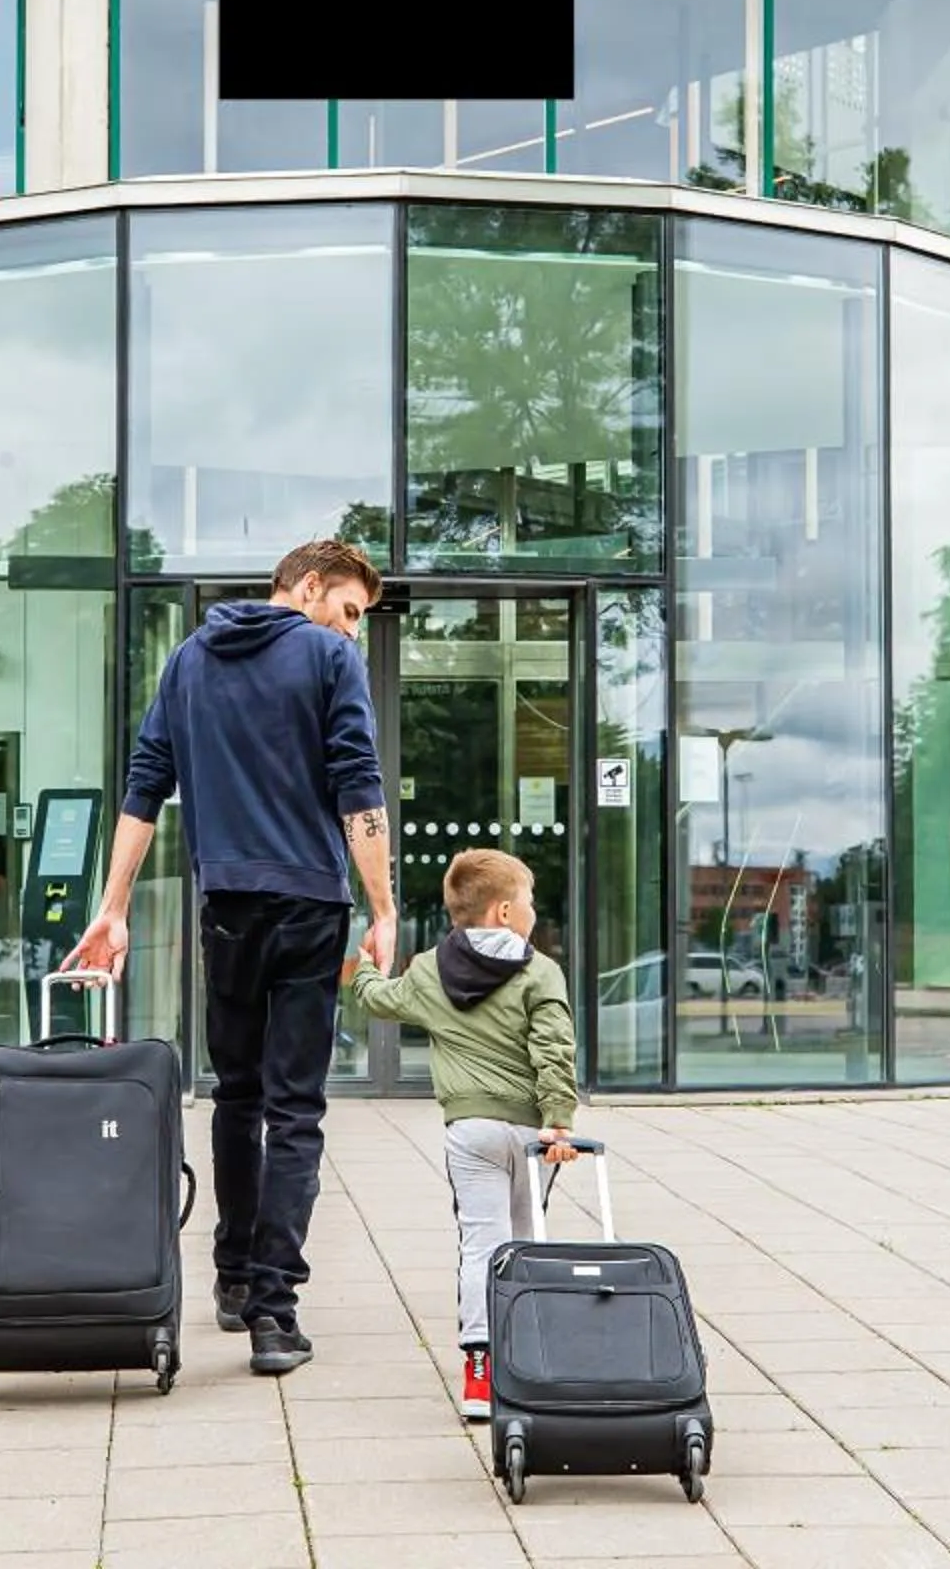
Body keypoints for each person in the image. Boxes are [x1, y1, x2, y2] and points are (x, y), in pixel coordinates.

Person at [68, 539, 396, 1378]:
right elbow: (359, 784)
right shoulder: (326, 658)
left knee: (236, 1098)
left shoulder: (187, 660)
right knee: (295, 1110)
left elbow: (145, 785)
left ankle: (230, 1277)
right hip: (311, 906)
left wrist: (113, 907)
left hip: (227, 911)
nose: (354, 632)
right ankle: (274, 1316)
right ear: (311, 586)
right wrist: (386, 908)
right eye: (352, 610)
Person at [342, 846, 578, 1422]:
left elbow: (377, 998)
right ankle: (530, 1357)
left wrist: (367, 963)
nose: (532, 910)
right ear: (501, 912)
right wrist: (560, 1120)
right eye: (527, 901)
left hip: (469, 1130)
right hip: (530, 1131)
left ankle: (480, 1374)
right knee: (528, 1242)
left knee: (482, 1246)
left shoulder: (427, 971)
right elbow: (553, 1051)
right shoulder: (540, 972)